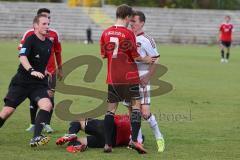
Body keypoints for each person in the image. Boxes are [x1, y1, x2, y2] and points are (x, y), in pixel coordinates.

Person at [100, 4, 155, 154]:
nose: (131, 21)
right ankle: (134, 141)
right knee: (136, 106)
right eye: (130, 17)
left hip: (112, 78)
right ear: (126, 17)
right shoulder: (129, 33)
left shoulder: (105, 33)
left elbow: (104, 54)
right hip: (129, 77)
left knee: (110, 110)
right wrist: (147, 59)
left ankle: (107, 144)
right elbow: (136, 56)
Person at [0, 14, 53, 147]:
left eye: (48, 24)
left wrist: (45, 70)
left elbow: (42, 61)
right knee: (7, 111)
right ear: (36, 25)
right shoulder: (30, 39)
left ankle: (35, 138)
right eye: (44, 24)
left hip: (38, 84)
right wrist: (31, 70)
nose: (47, 26)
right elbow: (22, 56)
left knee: (47, 105)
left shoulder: (48, 43)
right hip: (22, 82)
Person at [18, 8, 63, 133]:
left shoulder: (54, 34)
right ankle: (33, 123)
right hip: (35, 71)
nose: (47, 22)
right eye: (44, 20)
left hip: (51, 70)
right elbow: (22, 51)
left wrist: (60, 68)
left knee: (50, 96)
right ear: (38, 20)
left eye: (49, 19)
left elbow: (58, 52)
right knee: (34, 97)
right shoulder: (29, 34)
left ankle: (46, 124)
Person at [129, 10, 165, 152]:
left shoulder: (147, 40)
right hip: (128, 79)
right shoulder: (127, 37)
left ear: (142, 23)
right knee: (132, 112)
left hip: (142, 79)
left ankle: (159, 136)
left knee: (144, 112)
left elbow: (156, 59)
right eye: (131, 21)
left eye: (135, 21)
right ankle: (137, 142)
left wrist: (148, 76)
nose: (132, 24)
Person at [55, 114, 144, 153]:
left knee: (78, 120)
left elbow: (112, 116)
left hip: (109, 128)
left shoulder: (129, 117)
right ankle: (76, 144)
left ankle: (71, 133)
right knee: (79, 141)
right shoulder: (139, 138)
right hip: (110, 142)